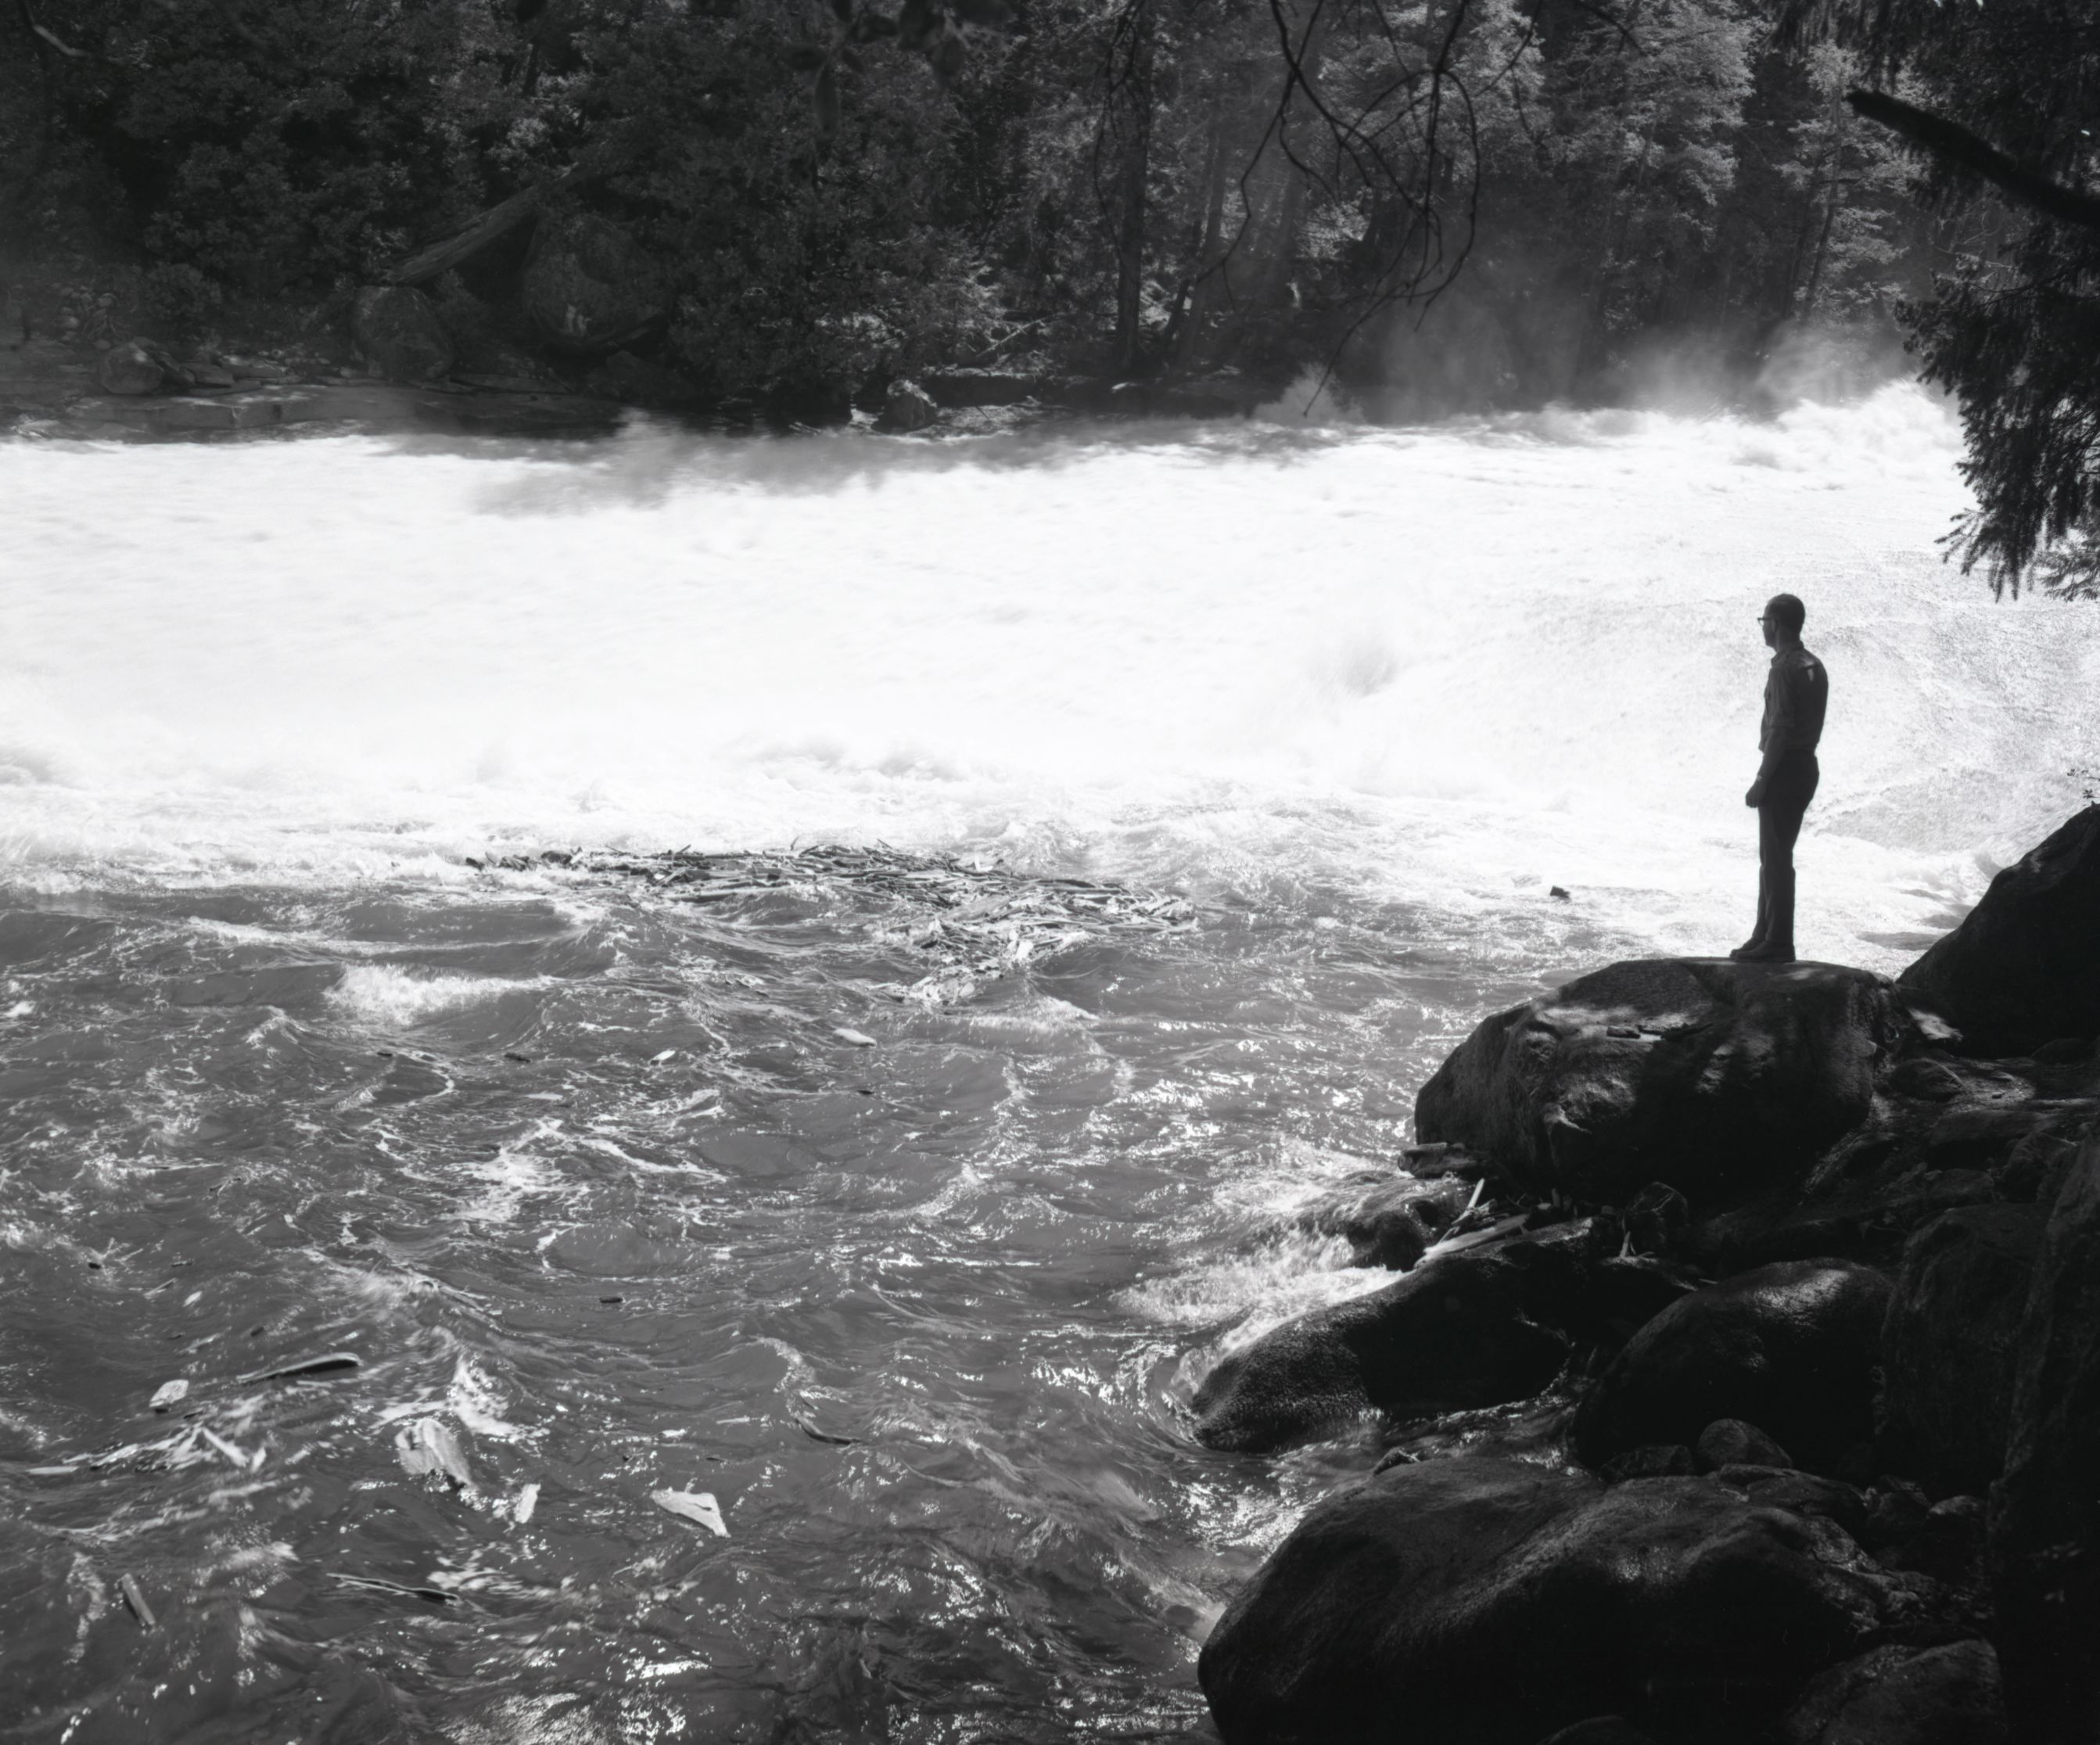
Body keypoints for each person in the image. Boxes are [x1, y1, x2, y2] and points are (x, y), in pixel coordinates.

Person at [1731, 592, 1827, 964]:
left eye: (1764, 621)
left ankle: (1778, 943)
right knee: (1773, 856)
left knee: (1776, 859)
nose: (1763, 628)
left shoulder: (1784, 668)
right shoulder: (1813, 664)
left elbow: (1781, 731)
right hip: (1804, 766)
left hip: (1785, 768)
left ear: (1776, 623)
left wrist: (1761, 779)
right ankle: (1764, 934)